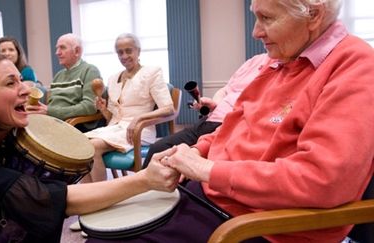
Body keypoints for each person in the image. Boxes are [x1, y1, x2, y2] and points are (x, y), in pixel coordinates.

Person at [87, 0, 374, 242]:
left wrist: (207, 169)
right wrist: (194, 151)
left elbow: (322, 181)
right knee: (104, 231)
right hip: (216, 197)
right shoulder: (280, 62)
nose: (256, 32)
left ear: (314, 15)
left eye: (267, 18)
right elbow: (232, 128)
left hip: (261, 224)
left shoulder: (355, 67)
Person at [0, 53, 180, 243]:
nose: (26, 89)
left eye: (20, 79)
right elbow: (55, 199)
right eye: (10, 83)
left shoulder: (2, 133)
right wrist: (144, 180)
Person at [142, 54, 269, 168]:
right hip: (209, 121)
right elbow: (225, 90)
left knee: (183, 169)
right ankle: (141, 190)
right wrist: (215, 104)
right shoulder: (254, 61)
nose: (256, 33)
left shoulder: (279, 70)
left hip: (232, 127)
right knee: (157, 149)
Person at [82, 33, 175, 183]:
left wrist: (139, 118)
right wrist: (104, 110)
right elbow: (113, 118)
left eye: (128, 51)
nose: (124, 56)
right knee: (81, 144)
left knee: (92, 147)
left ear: (138, 51)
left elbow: (169, 109)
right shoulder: (113, 78)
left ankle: (100, 195)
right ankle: (86, 195)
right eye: (120, 52)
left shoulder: (152, 72)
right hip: (116, 128)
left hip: (139, 130)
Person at [26, 33, 102, 132]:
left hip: (74, 126)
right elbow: (51, 105)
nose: (57, 52)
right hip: (52, 122)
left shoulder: (90, 70)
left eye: (62, 48)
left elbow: (89, 106)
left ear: (77, 51)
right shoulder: (58, 75)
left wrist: (50, 111)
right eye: (57, 48)